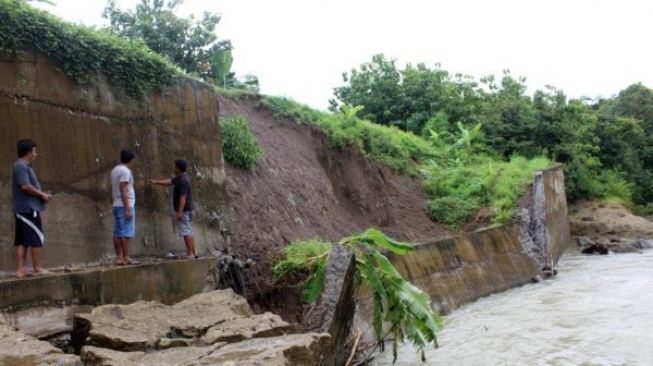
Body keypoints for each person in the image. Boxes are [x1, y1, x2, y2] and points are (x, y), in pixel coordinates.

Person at [12, 139, 52, 278]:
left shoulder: (21, 166)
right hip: (28, 210)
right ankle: (37, 268)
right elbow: (25, 186)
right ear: (28, 152)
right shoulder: (21, 166)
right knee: (36, 238)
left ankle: (21, 270)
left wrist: (42, 196)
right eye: (34, 151)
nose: (36, 154)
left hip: (23, 209)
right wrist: (42, 194)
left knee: (23, 241)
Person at [149, 159, 197, 259]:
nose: (173, 168)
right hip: (187, 209)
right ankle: (192, 252)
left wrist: (180, 212)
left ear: (178, 168)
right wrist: (156, 182)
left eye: (175, 166)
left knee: (186, 231)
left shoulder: (183, 180)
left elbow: (183, 197)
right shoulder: (180, 178)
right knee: (188, 230)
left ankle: (191, 254)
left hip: (185, 210)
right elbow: (170, 182)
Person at [111, 149, 140, 265]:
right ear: (131, 160)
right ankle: (126, 257)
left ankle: (119, 258)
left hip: (117, 204)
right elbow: (123, 188)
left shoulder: (115, 170)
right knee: (125, 232)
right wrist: (127, 208)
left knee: (118, 232)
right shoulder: (125, 171)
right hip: (125, 205)